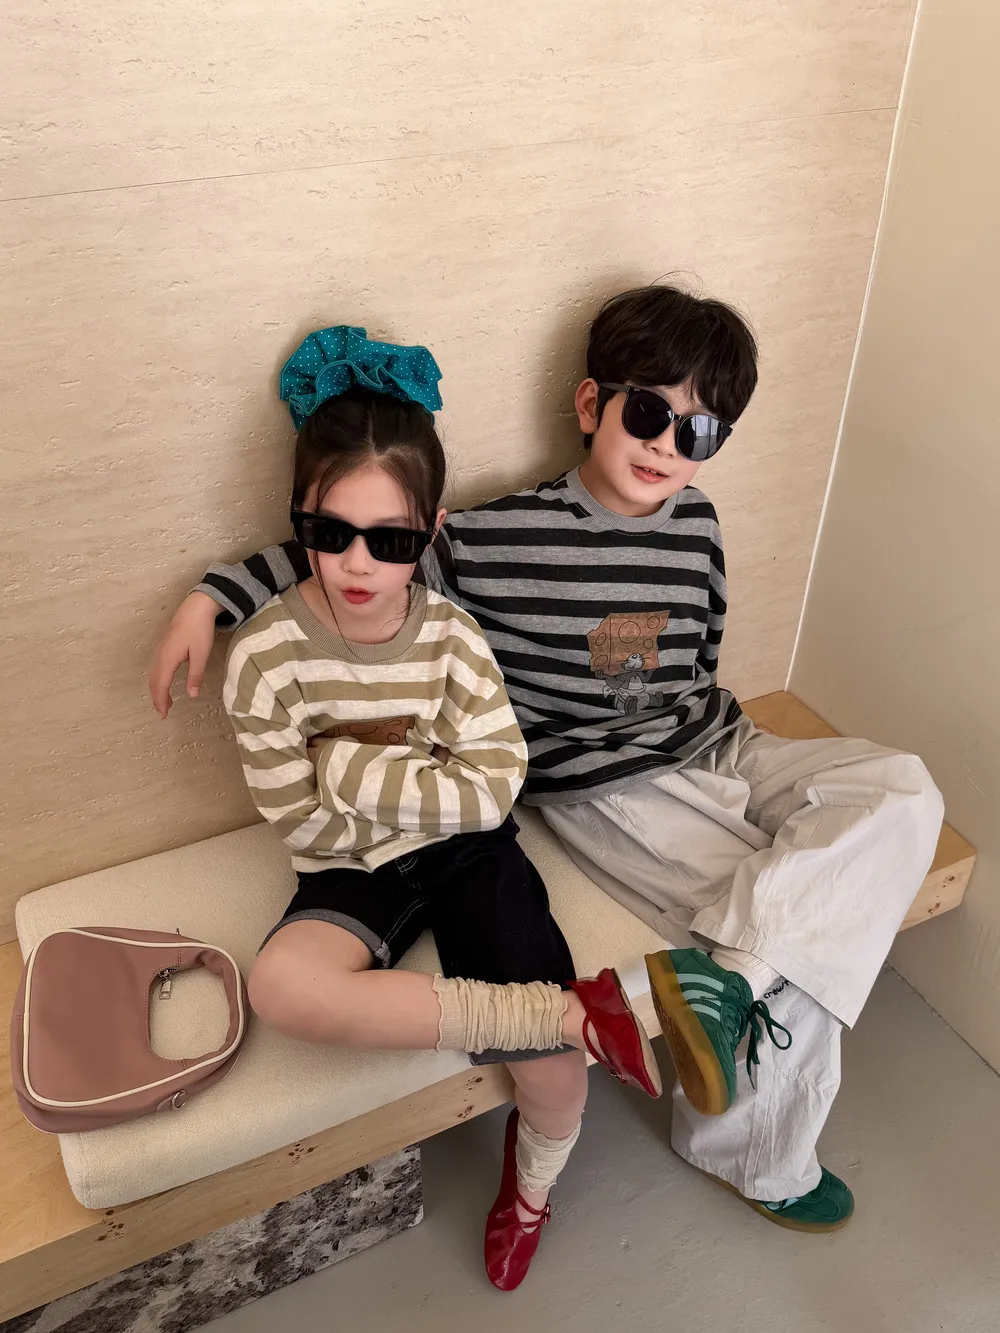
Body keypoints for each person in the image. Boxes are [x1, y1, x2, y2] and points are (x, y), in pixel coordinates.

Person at [152, 289, 944, 1234]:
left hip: (715, 740)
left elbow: (702, 657)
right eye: (648, 412)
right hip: (608, 786)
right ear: (591, 404)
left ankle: (725, 983)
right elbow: (355, 546)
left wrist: (727, 757)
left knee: (903, 789)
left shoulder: (698, 523)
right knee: (798, 943)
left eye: (699, 431)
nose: (667, 446)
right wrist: (212, 597)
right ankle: (753, 1149)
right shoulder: (494, 537)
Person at [207, 326, 662, 1292]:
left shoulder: (452, 636)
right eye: (329, 533)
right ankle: (563, 1011)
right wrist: (415, 774)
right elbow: (303, 827)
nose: (357, 563)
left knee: (553, 1074)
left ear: (432, 530)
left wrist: (341, 765)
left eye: (393, 541)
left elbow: (493, 787)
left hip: (469, 848)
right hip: (350, 867)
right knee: (280, 986)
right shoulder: (264, 656)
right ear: (298, 519)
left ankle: (530, 1189)